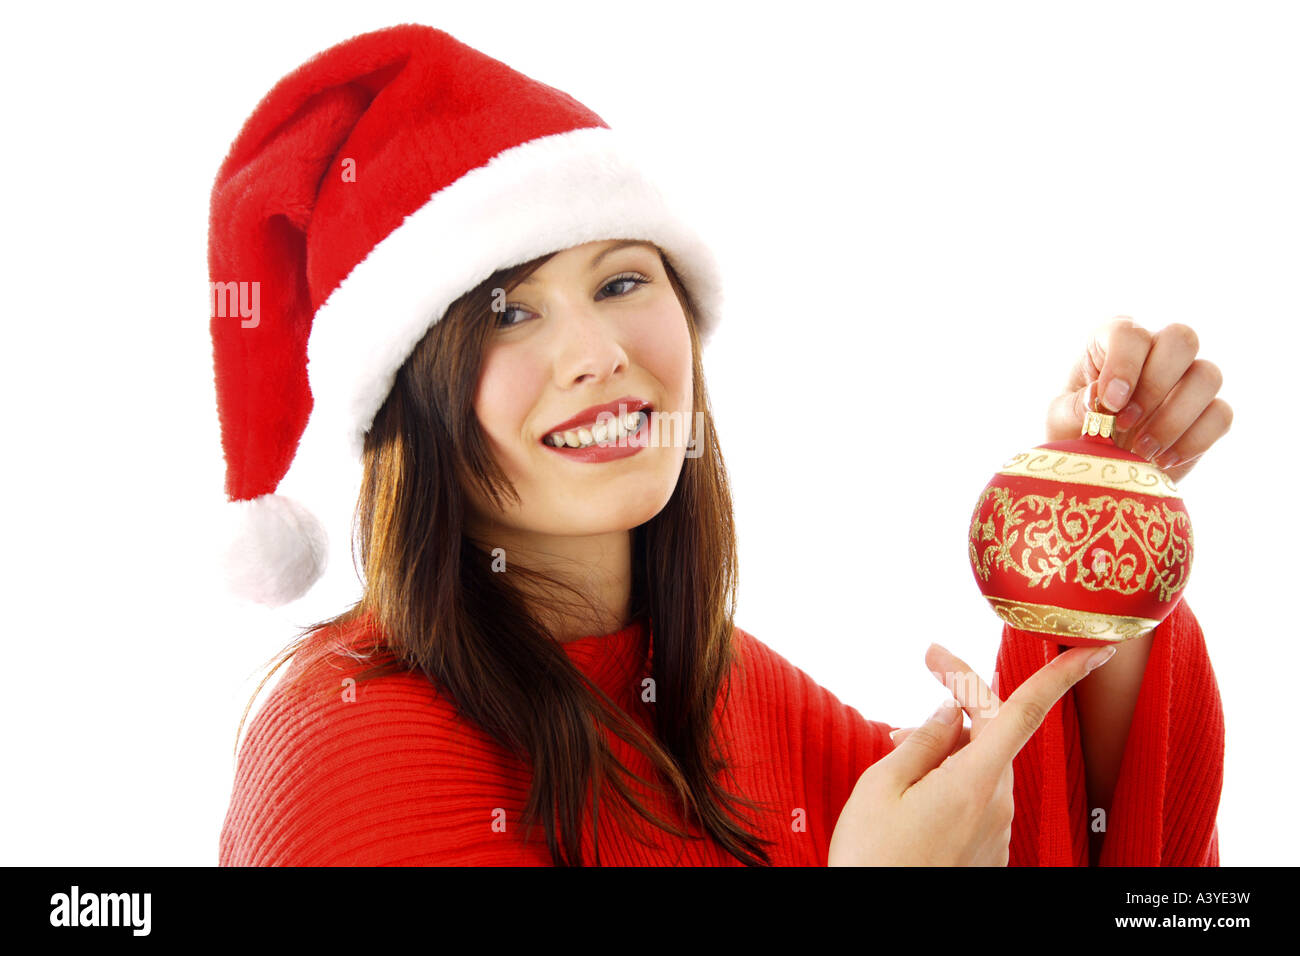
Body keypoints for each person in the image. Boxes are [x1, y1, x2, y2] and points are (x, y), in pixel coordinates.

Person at [210, 24, 1228, 866]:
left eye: (620, 282)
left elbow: (1068, 845)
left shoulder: (726, 687)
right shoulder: (343, 751)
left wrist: (1092, 535)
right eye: (507, 315)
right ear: (412, 407)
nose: (599, 353)